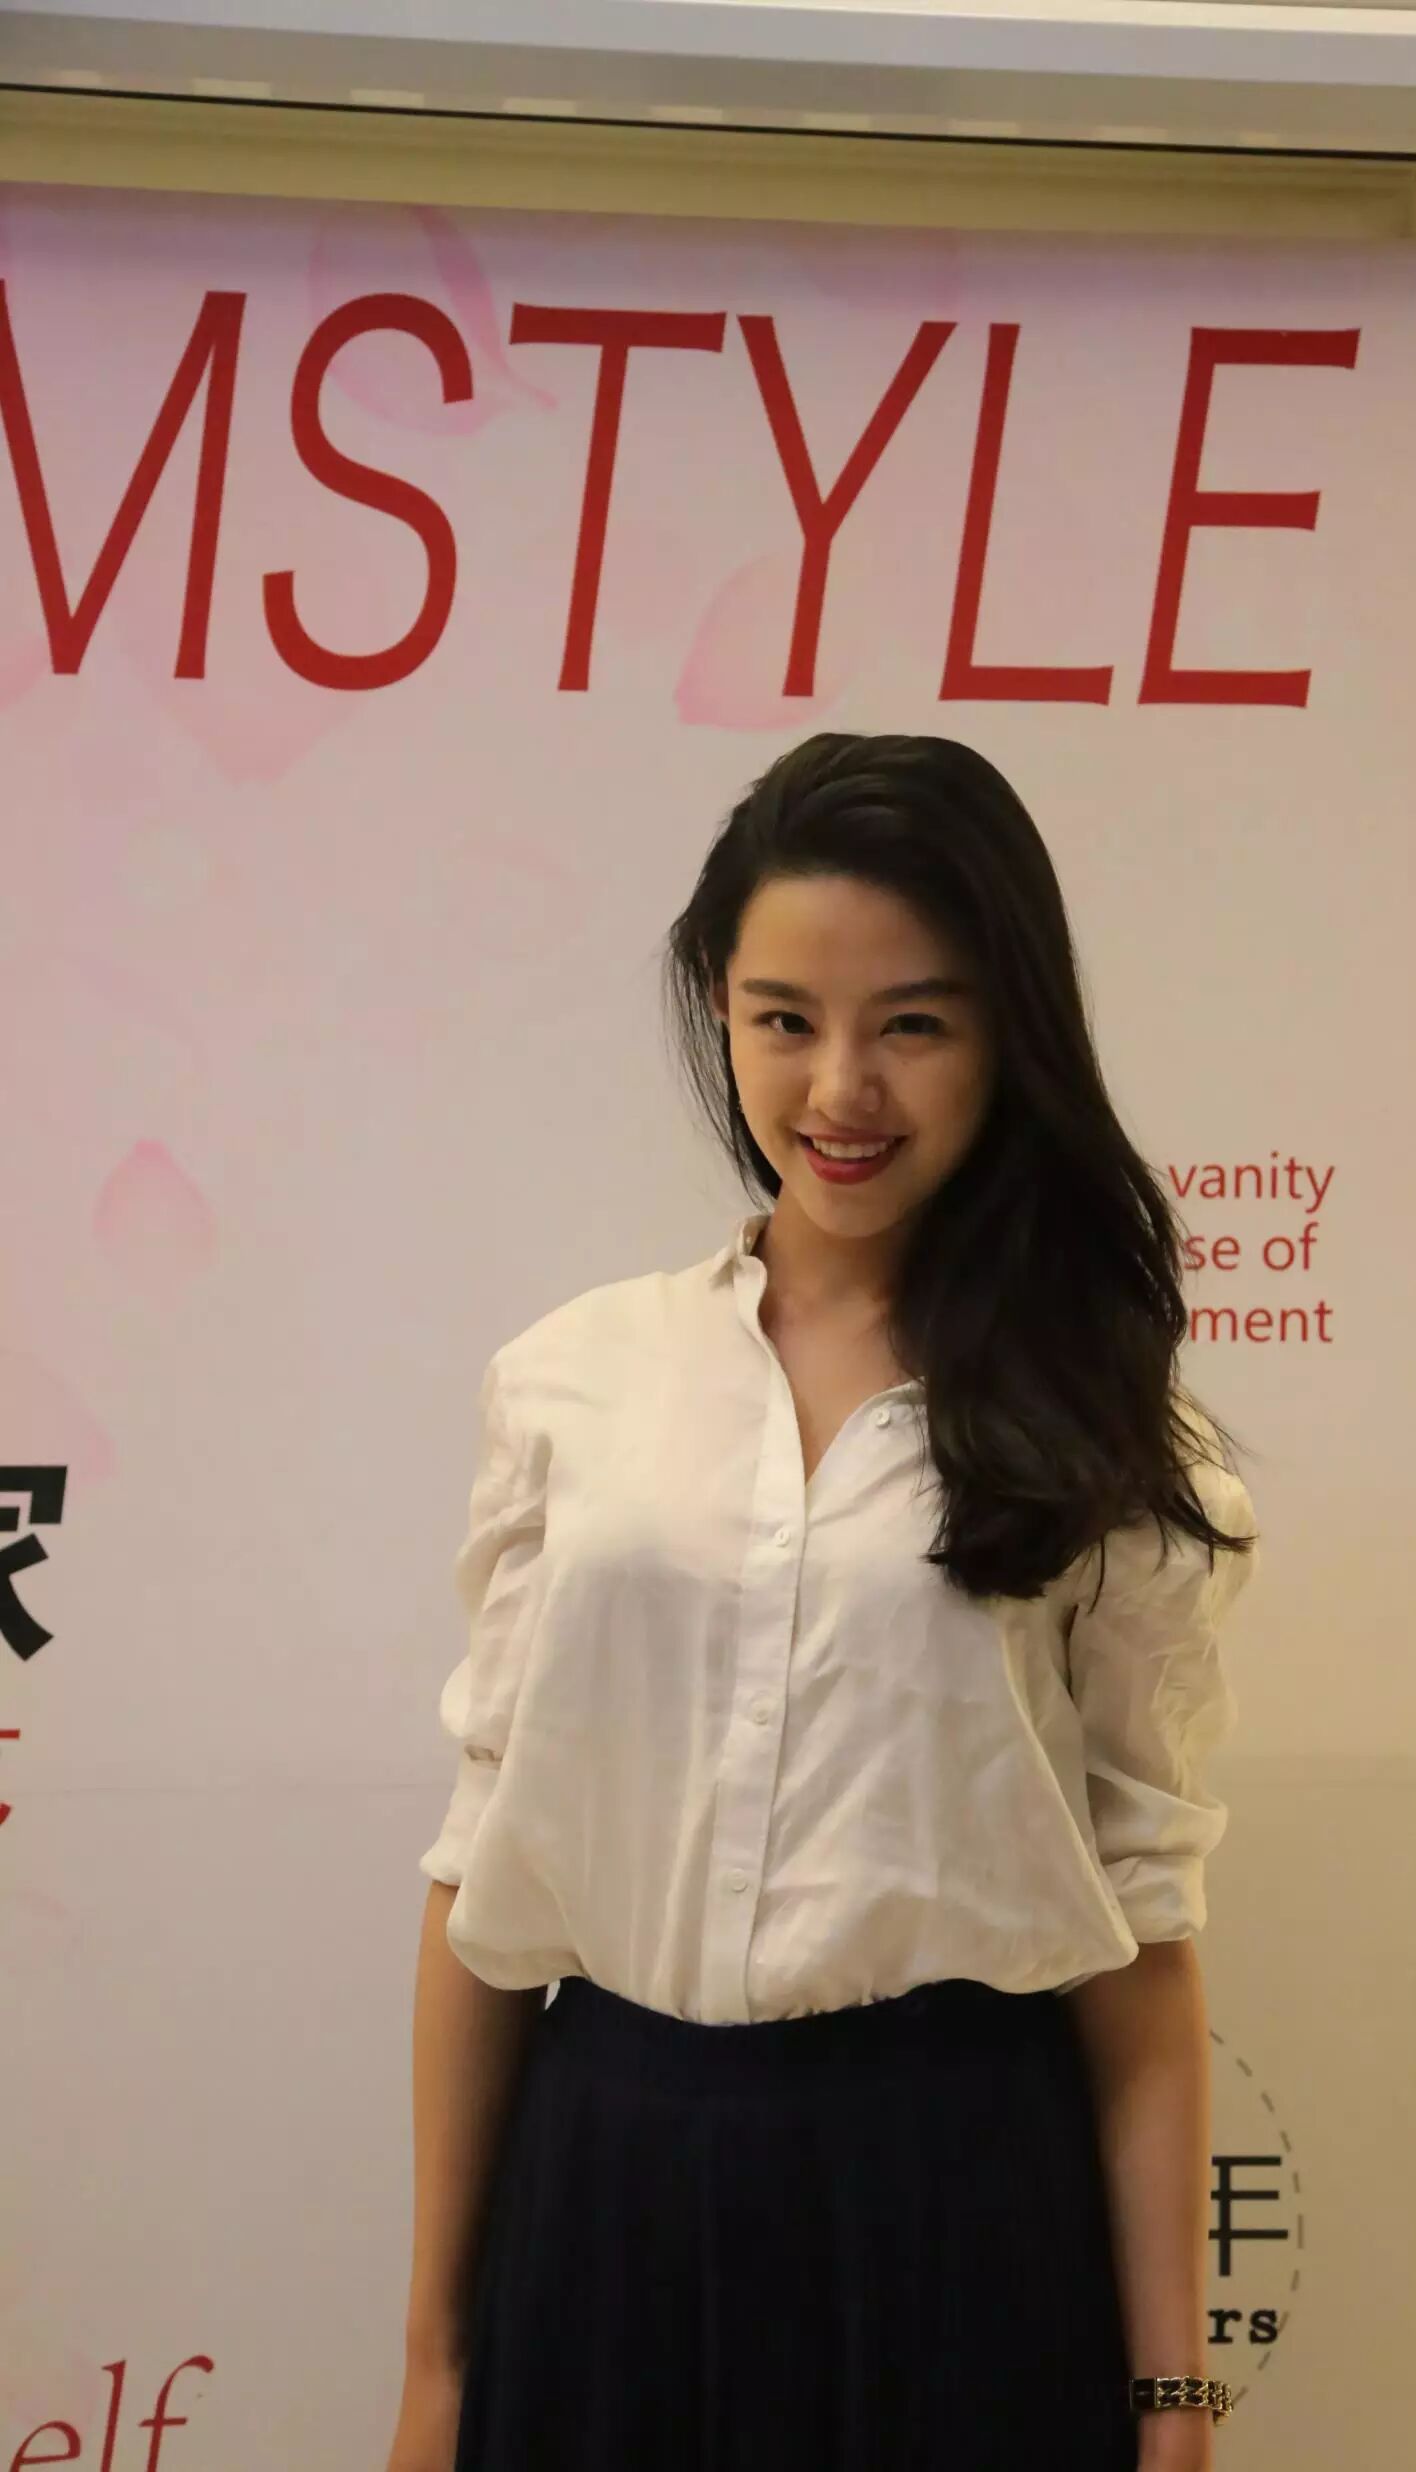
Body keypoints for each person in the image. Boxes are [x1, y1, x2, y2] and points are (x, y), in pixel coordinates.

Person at [384, 732, 1260, 2472]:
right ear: (720, 1008)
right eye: (785, 1017)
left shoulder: (1105, 1432)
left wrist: (1173, 2403)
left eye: (912, 1024)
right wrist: (433, 2360)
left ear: (1008, 1033)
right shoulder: (575, 1382)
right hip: (604, 2187)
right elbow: (483, 1876)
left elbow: (1144, 1940)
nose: (841, 1088)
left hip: (960, 2211)